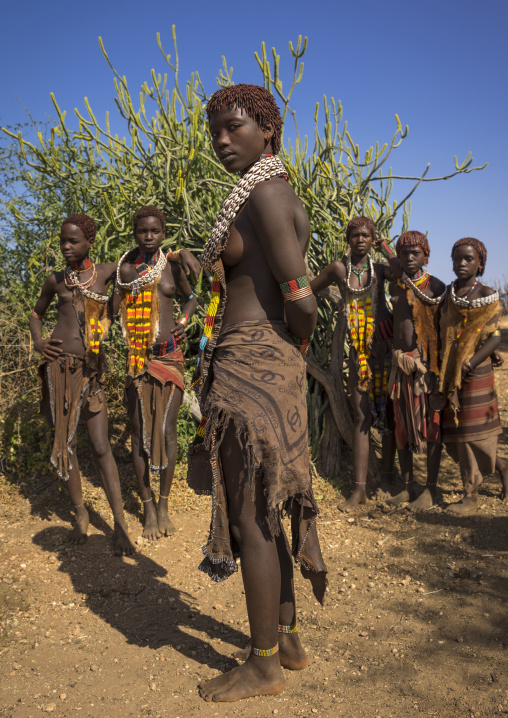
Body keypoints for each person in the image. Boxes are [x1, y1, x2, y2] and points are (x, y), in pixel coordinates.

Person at [187, 84, 327, 702]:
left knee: (250, 515)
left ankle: (263, 663)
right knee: (266, 504)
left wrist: (284, 352)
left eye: (235, 127)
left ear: (266, 130)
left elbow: (301, 301)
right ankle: (288, 638)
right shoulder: (258, 193)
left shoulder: (267, 193)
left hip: (257, 365)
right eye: (215, 130)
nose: (222, 141)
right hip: (255, 360)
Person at [29, 213, 135, 555]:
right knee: (67, 443)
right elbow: (36, 314)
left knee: (101, 446)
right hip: (57, 370)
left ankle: (120, 525)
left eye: (73, 241)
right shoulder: (55, 281)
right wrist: (38, 342)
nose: (65, 247)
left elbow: (133, 271)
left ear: (90, 242)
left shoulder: (105, 273)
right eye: (62, 240)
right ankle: (81, 516)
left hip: (89, 373)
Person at [113, 206, 198, 540]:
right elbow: (109, 307)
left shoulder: (172, 268)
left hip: (170, 358)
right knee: (139, 433)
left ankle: (164, 505)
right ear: (135, 233)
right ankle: (147, 508)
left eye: (155, 232)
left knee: (167, 430)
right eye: (142, 232)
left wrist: (182, 322)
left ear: (163, 232)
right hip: (138, 360)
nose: (148, 237)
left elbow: (190, 299)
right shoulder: (126, 270)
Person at [310, 217, 396, 511]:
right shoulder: (339, 269)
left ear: (373, 240)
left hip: (384, 349)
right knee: (362, 418)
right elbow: (309, 288)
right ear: (348, 239)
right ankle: (358, 490)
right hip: (358, 354)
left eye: (367, 236)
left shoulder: (381, 271)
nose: (361, 240)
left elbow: (402, 273)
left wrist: (387, 245)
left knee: (390, 417)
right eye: (356, 235)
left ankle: (388, 480)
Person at [439, 238, 504, 514]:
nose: (461, 264)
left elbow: (494, 337)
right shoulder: (448, 293)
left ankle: (470, 496)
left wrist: (470, 362)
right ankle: (500, 468)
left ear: (480, 263)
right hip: (450, 371)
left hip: (476, 373)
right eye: (457, 259)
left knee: (475, 434)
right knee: (457, 432)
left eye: (468, 259)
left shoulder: (487, 294)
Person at [386, 231, 446, 509]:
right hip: (400, 364)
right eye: (404, 252)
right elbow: (391, 260)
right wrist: (384, 246)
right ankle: (409, 487)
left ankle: (431, 489)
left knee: (432, 426)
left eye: (415, 253)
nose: (409, 258)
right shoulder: (396, 284)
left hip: (425, 366)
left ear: (426, 255)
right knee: (401, 427)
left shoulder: (436, 286)